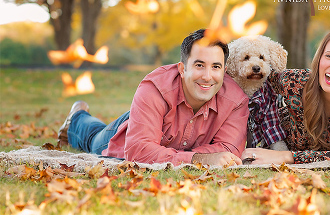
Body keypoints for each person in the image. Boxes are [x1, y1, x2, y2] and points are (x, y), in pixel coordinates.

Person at [58, 29, 249, 167]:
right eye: (199, 65)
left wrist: (170, 156)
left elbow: (228, 151)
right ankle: (77, 114)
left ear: (224, 70)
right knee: (92, 139)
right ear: (182, 69)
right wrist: (199, 158)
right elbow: (138, 150)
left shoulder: (236, 101)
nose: (208, 76)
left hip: (161, 138)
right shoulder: (155, 87)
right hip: (128, 132)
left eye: (216, 67)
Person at [241, 29, 330, 164]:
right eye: (329, 56)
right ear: (319, 59)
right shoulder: (294, 81)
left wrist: (285, 156)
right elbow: (258, 76)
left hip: (279, 154)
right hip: (274, 140)